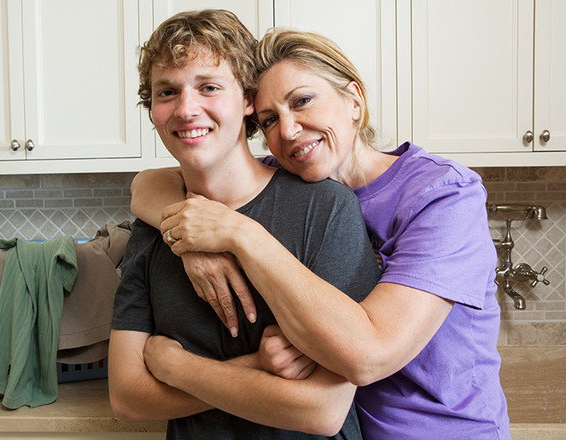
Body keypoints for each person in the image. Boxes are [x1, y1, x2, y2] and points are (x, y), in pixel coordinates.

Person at [131, 28, 511, 439]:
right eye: (270, 119)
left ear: (353, 100)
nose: (289, 131)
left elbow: (370, 356)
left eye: (302, 101)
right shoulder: (288, 185)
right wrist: (188, 239)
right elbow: (148, 184)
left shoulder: (442, 195)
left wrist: (239, 234)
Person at [108, 10, 380, 440]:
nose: (185, 109)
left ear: (248, 99)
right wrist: (256, 367)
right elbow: (128, 397)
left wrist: (178, 368)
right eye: (167, 92)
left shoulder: (325, 209)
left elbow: (321, 410)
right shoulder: (153, 224)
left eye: (209, 87)